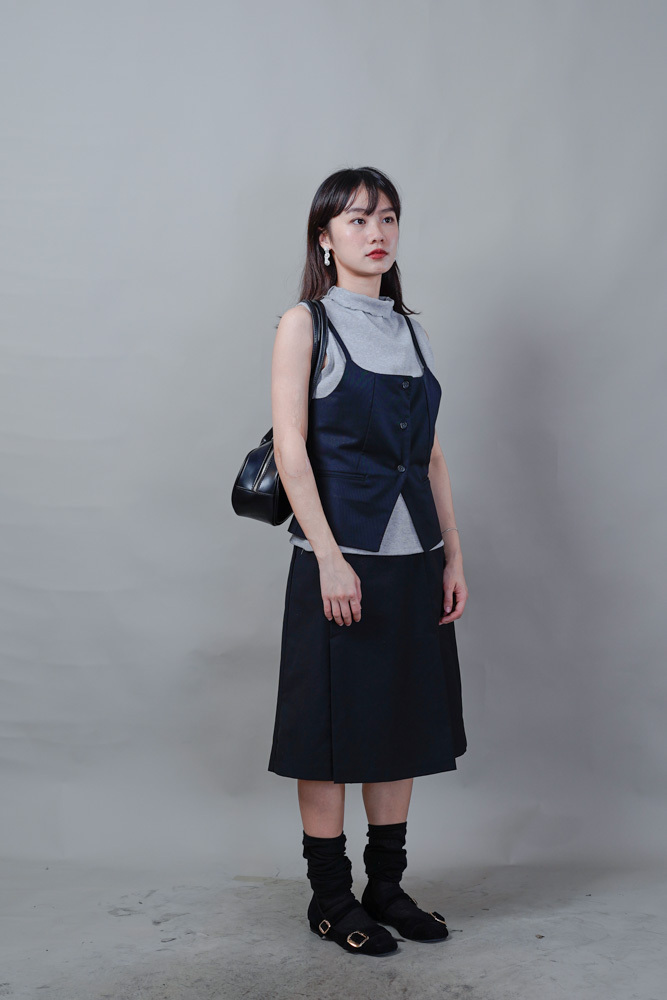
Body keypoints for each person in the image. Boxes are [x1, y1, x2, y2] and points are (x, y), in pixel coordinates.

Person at [267, 166, 468, 956]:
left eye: (386, 217)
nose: (375, 232)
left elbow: (432, 457)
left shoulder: (410, 330)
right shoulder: (304, 323)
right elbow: (291, 450)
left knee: (400, 721)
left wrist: (452, 558)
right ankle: (329, 897)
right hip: (339, 555)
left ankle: (386, 887)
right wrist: (327, 557)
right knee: (328, 731)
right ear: (324, 237)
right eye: (355, 219)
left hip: (413, 558)